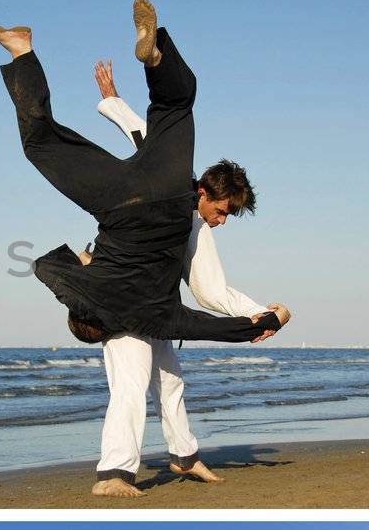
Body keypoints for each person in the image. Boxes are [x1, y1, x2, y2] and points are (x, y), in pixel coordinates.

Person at [0, 0, 290, 347]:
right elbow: (53, 266)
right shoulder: (95, 278)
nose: (221, 220)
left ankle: (156, 57)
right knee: (40, 144)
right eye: (223, 212)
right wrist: (83, 262)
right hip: (118, 199)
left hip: (159, 192)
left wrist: (268, 321)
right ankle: (22, 50)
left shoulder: (156, 318)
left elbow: (205, 325)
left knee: (174, 106)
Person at [86, 59, 279, 498]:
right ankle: (113, 473)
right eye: (223, 211)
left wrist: (257, 314)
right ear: (205, 192)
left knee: (170, 381)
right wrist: (259, 315)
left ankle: (184, 456)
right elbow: (143, 134)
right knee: (130, 384)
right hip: (119, 297)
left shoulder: (196, 222)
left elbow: (141, 133)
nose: (222, 220)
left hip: (155, 308)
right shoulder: (176, 196)